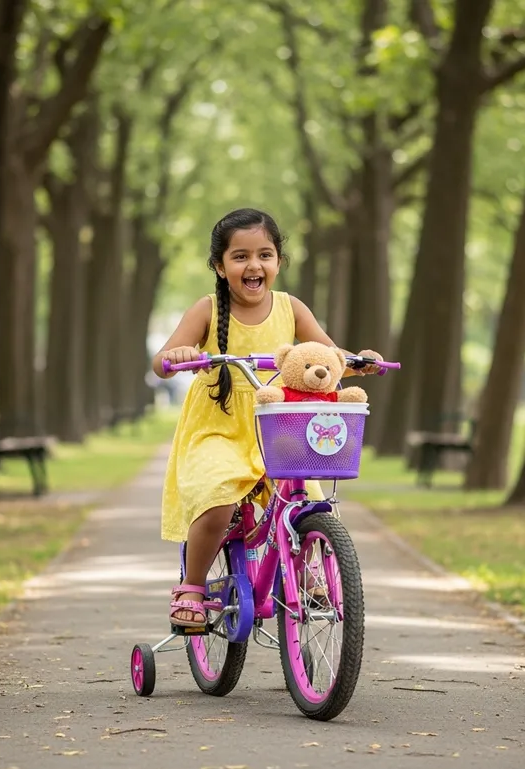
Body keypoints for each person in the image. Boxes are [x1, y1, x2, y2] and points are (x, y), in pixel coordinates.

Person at [152, 208, 381, 627]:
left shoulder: (291, 308)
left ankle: (309, 572)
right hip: (218, 428)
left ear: (278, 262)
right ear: (220, 267)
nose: (253, 265)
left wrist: (357, 361)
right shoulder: (207, 311)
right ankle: (193, 586)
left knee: (309, 497)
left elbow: (327, 356)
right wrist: (177, 355)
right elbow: (161, 361)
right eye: (240, 257)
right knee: (218, 496)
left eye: (265, 254)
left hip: (278, 427)